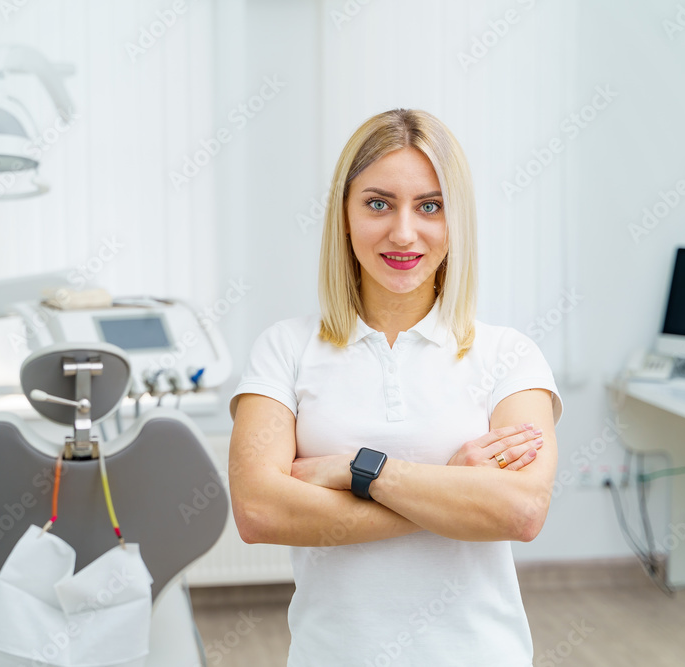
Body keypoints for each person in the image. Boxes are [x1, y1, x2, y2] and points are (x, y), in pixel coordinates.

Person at [228, 108, 564, 666]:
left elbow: (520, 510)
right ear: (344, 216)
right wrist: (452, 490)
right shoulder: (283, 349)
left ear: (456, 222)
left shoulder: (509, 356)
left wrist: (358, 470)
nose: (403, 233)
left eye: (429, 206)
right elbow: (259, 511)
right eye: (378, 203)